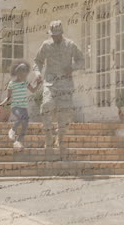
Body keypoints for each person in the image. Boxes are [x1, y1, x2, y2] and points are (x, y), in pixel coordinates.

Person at [33, 20, 85, 152]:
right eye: (52, 35)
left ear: (61, 33)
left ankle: (60, 139)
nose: (54, 37)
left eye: (56, 35)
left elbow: (81, 60)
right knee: (46, 106)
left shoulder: (70, 45)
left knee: (65, 114)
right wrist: (38, 73)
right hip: (50, 82)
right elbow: (38, 61)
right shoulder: (46, 45)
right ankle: (48, 135)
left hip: (65, 84)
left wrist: (72, 67)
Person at [0, 60, 42, 150]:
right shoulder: (11, 84)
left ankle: (18, 141)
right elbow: (8, 98)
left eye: (25, 73)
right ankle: (12, 130)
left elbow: (33, 91)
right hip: (15, 107)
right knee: (21, 118)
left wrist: (38, 84)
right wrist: (1, 104)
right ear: (18, 73)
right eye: (23, 73)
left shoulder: (25, 82)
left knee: (25, 124)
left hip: (24, 107)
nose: (24, 75)